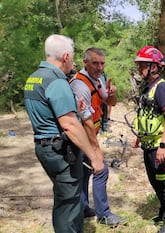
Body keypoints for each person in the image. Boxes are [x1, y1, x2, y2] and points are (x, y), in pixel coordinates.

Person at [24, 34, 104, 233]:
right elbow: (69, 125)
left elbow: (45, 110)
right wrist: (94, 156)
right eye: (73, 56)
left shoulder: (34, 77)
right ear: (66, 56)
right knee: (68, 204)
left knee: (65, 197)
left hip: (43, 146)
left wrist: (72, 106)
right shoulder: (56, 81)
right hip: (60, 151)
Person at [70, 47, 127, 226]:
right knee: (101, 170)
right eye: (95, 63)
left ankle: (85, 208)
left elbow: (110, 103)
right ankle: (104, 215)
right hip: (80, 137)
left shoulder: (99, 79)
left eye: (102, 63)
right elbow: (86, 122)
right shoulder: (80, 85)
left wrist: (112, 94)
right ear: (85, 62)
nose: (100, 67)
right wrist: (96, 151)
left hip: (90, 133)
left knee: (85, 172)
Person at [132, 45, 165, 233]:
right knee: (154, 180)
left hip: (160, 146)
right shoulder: (147, 88)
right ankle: (163, 212)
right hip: (148, 144)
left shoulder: (162, 88)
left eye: (142, 65)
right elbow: (146, 115)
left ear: (154, 67)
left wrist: (163, 145)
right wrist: (138, 136)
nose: (139, 69)